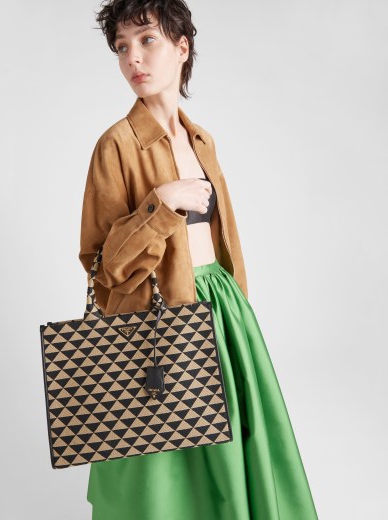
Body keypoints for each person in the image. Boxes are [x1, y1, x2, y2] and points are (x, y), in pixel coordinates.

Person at [78, 1, 319, 519]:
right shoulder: (115, 146)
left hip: (222, 313)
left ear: (181, 47)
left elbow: (227, 243)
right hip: (153, 325)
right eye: (121, 47)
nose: (132, 58)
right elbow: (103, 264)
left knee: (231, 470)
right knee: (159, 486)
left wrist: (239, 312)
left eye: (147, 40)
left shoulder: (202, 140)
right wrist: (161, 205)